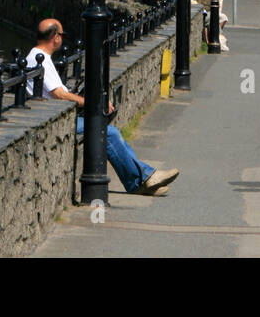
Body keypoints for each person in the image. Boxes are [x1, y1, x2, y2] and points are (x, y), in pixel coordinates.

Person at [26, 18, 178, 196]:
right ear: (55, 37)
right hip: (56, 120)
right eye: (62, 34)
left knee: (108, 130)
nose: (62, 38)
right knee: (107, 132)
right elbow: (59, 94)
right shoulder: (40, 59)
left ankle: (143, 179)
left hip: (58, 115)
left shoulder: (37, 56)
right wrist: (92, 103)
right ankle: (141, 180)